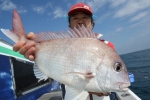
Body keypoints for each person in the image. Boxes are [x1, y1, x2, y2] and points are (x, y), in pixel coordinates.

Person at [13, 2, 115, 99]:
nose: (80, 21)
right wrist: (33, 49)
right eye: (75, 18)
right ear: (69, 25)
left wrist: (105, 87)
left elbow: (113, 77)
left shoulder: (106, 47)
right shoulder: (59, 43)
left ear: (92, 23)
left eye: (85, 17)